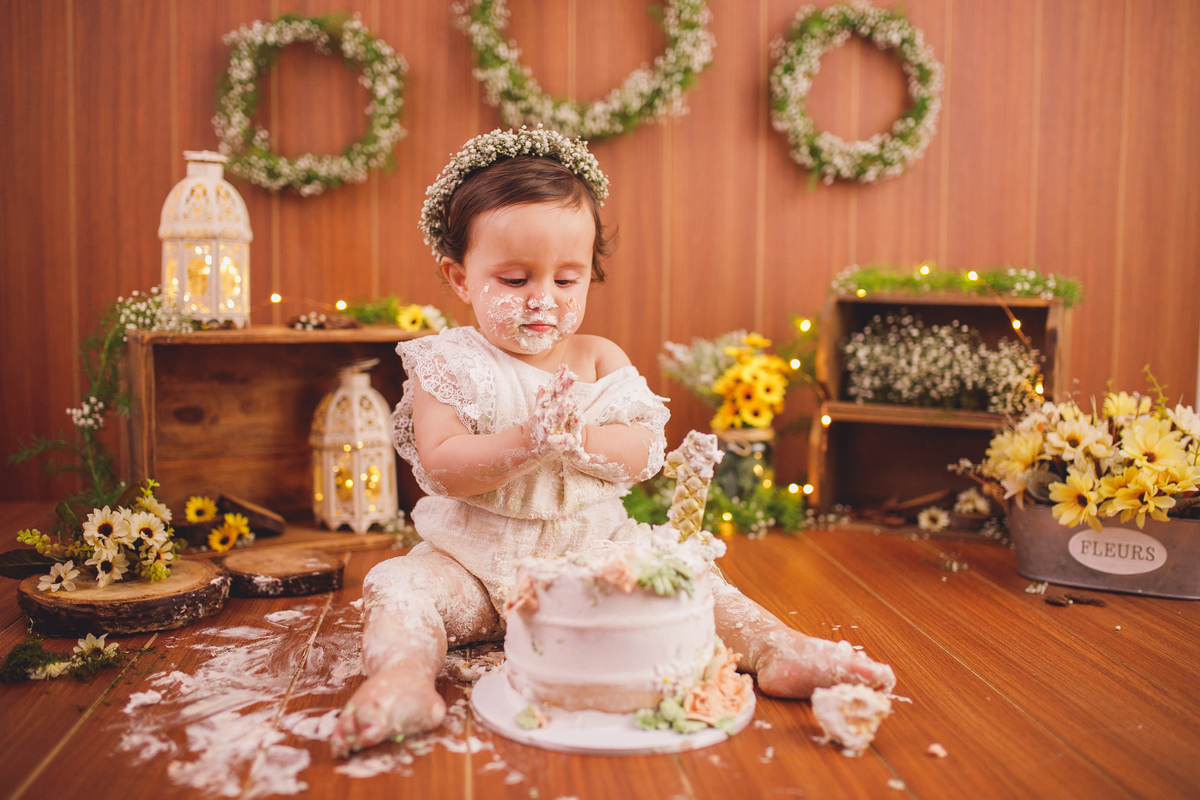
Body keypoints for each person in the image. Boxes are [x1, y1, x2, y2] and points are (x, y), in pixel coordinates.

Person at [331, 128, 894, 757]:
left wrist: (579, 438)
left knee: (692, 582)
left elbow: (644, 451)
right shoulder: (447, 362)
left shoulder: (598, 359)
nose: (543, 299)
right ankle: (403, 680)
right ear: (460, 277)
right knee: (398, 587)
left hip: (594, 558)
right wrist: (526, 441)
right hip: (471, 563)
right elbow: (441, 465)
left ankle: (775, 649)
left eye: (567, 280)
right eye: (513, 279)